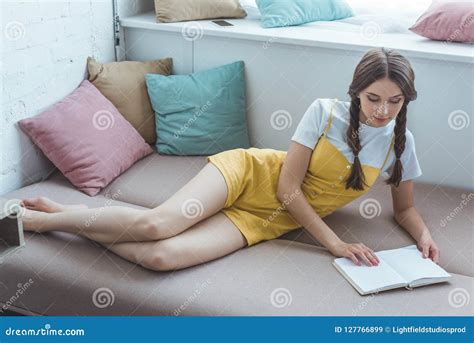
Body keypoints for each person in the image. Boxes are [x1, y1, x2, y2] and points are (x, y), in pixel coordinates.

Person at [19, 47, 440, 272]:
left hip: (268, 219)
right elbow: (286, 187)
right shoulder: (324, 112)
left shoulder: (400, 143)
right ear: (356, 92)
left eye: (394, 102)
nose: (382, 111)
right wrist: (335, 243)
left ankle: (69, 214)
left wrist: (422, 236)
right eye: (373, 99)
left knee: (160, 258)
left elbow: (404, 208)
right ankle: (43, 222)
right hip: (248, 175)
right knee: (157, 224)